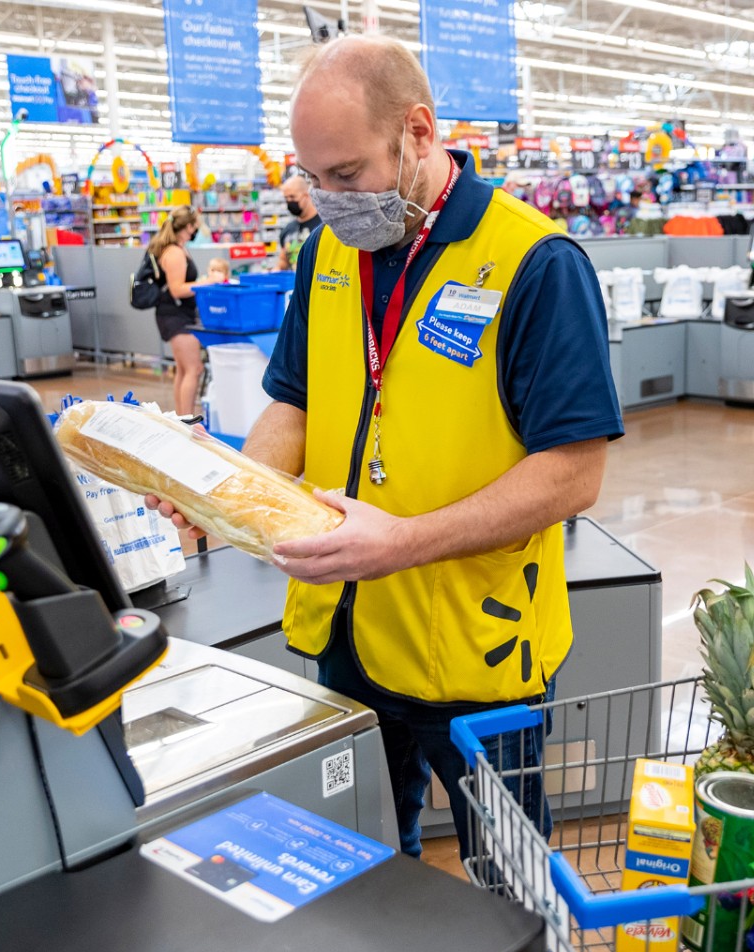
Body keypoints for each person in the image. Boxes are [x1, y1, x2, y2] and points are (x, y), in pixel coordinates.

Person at [148, 35, 623, 860]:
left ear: (419, 131)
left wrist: (400, 540)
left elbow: (575, 473)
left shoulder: (534, 262)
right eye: (312, 176)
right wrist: (221, 493)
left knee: (514, 877)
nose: (328, 199)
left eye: (348, 174)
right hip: (348, 629)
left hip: (476, 645)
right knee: (363, 862)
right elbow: (294, 400)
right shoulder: (328, 252)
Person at [148, 205, 205, 417]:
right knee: (194, 369)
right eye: (195, 225)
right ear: (188, 226)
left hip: (176, 314)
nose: (196, 229)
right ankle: (188, 419)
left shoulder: (177, 248)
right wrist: (206, 283)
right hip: (176, 316)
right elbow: (177, 289)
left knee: (183, 369)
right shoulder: (173, 252)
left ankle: (182, 420)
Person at [275, 175, 321, 271]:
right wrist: (276, 270)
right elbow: (283, 260)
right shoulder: (288, 230)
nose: (289, 201)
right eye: (286, 198)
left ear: (306, 196)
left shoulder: (323, 226)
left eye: (292, 197)